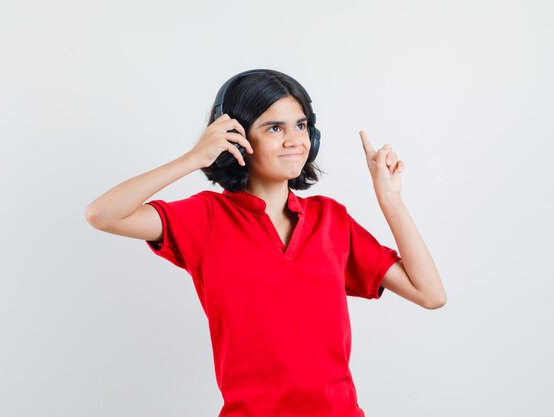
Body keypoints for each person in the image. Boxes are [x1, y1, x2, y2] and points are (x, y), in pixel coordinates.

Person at [84, 69, 447, 417]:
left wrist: (390, 199)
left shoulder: (331, 220)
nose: (295, 140)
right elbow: (103, 214)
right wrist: (194, 157)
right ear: (235, 136)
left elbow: (430, 294)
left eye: (301, 126)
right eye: (275, 127)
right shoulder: (206, 218)